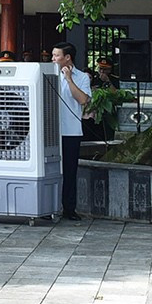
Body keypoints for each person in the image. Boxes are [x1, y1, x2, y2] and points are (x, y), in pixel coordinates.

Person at [50, 42, 92, 221]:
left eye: (56, 55)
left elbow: (83, 100)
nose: (53, 59)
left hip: (71, 131)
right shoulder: (48, 74)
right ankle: (49, 206)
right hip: (50, 131)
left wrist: (69, 79)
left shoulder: (82, 77)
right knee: (50, 170)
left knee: (69, 171)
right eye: (52, 56)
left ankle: (69, 208)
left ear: (67, 58)